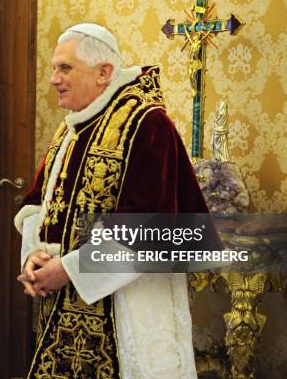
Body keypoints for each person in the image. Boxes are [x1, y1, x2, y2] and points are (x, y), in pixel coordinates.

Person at [14, 23, 223, 378]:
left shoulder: (147, 123)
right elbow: (42, 202)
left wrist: (68, 269)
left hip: (129, 305)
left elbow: (151, 226)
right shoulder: (71, 126)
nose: (53, 79)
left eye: (64, 68)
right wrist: (33, 252)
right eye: (54, 67)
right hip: (64, 305)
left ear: (104, 72)